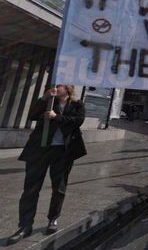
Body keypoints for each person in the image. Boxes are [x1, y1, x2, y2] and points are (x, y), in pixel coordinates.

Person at [7, 85, 86, 245]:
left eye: (60, 86)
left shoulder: (78, 105)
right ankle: (24, 226)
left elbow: (78, 121)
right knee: (31, 189)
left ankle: (53, 219)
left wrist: (56, 117)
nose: (55, 88)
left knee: (59, 188)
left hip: (63, 152)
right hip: (39, 150)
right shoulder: (47, 102)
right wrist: (43, 98)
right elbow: (32, 116)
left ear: (69, 89)